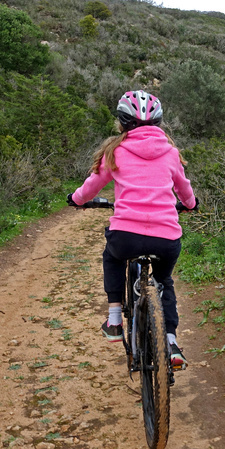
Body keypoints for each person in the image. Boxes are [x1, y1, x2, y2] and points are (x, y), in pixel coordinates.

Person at [67, 90, 197, 370]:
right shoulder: (171, 153)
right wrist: (190, 204)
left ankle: (115, 319)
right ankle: (171, 342)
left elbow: (92, 186)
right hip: (166, 238)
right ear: (158, 124)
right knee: (165, 281)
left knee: (112, 256)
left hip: (125, 237)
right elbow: (184, 189)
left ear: (122, 123)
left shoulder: (115, 151)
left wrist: (76, 200)